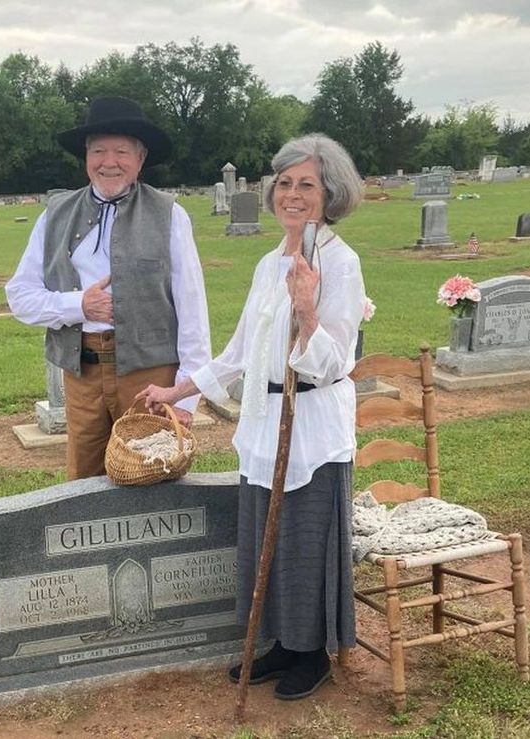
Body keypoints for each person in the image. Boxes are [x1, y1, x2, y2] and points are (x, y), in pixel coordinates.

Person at [136, 133, 365, 700]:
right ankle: (284, 643)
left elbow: (335, 362)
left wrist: (308, 310)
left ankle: (312, 654)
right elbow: (239, 352)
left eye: (306, 184)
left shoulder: (340, 261)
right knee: (270, 535)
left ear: (330, 193)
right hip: (265, 420)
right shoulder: (270, 263)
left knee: (306, 538)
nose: (291, 194)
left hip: (310, 424)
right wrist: (177, 391)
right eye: (284, 183)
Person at [5, 96, 211, 480]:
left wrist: (187, 395)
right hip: (82, 373)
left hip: (150, 375)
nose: (109, 161)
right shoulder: (55, 216)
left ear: (141, 157)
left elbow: (192, 308)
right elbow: (20, 297)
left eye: (121, 151)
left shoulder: (169, 215)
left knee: (152, 477)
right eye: (99, 150)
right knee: (82, 483)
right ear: (86, 156)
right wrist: (80, 305)